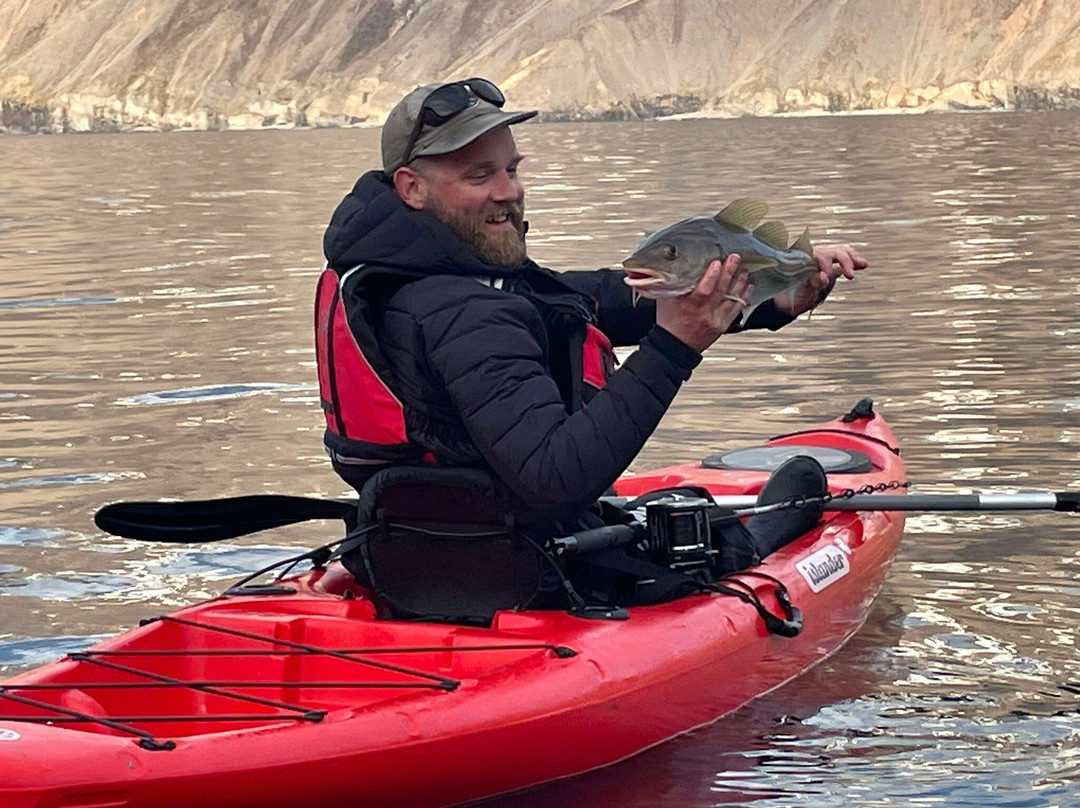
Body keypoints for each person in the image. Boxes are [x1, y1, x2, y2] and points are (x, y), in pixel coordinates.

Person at [316, 77, 866, 539]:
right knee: (751, 529)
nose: (509, 191)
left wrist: (775, 297)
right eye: (479, 176)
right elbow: (555, 480)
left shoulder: (412, 274)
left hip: (426, 544)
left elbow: (591, 298)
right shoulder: (461, 312)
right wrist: (674, 348)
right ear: (412, 188)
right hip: (516, 562)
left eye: (512, 168)